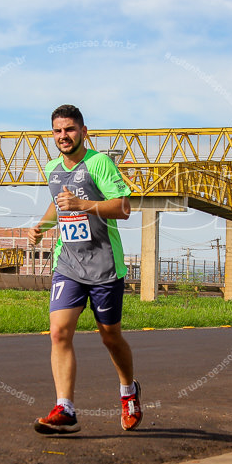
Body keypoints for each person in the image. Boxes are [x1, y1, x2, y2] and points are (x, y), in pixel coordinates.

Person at [28, 104, 141, 435]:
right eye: (57, 131)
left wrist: (84, 205)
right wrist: (42, 225)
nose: (63, 136)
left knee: (110, 336)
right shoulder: (52, 168)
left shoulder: (99, 164)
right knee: (59, 332)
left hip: (104, 264)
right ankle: (65, 408)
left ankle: (128, 393)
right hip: (68, 263)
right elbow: (57, 200)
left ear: (83, 131)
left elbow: (123, 207)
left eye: (70, 129)